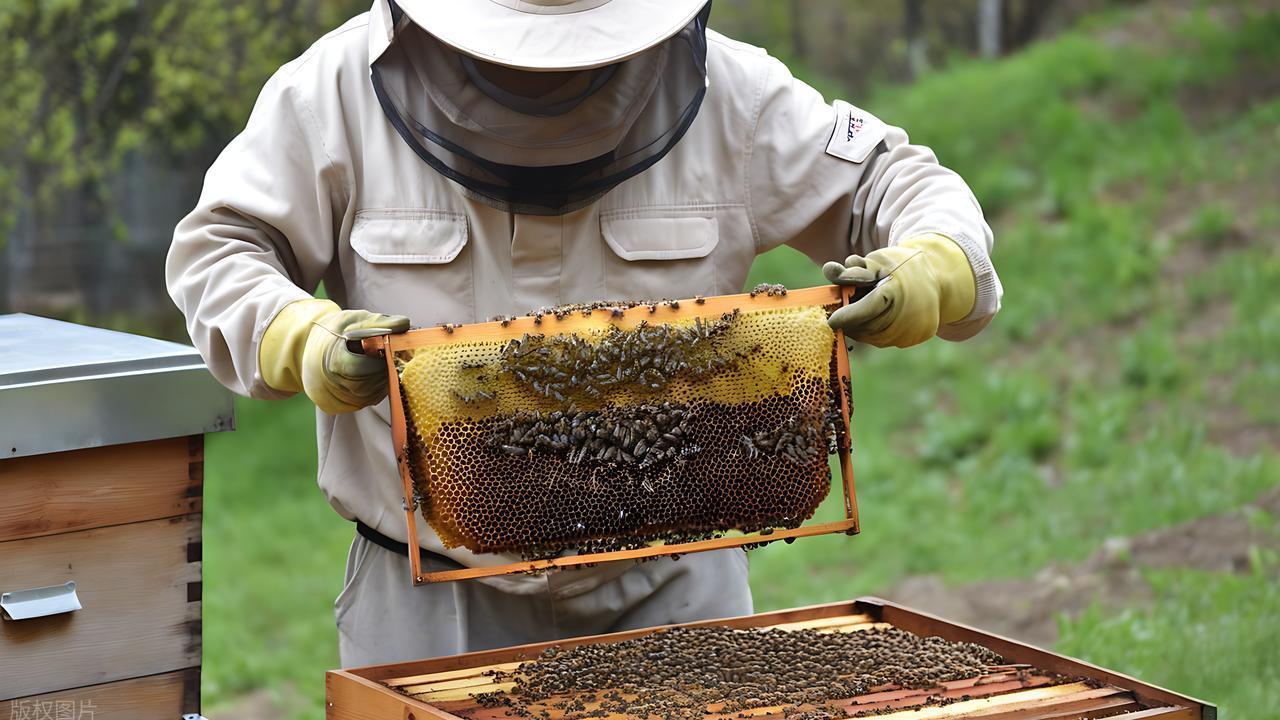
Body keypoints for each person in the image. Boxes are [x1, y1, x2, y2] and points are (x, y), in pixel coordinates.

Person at [166, 0, 1002, 667]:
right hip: (431, 603)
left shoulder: (737, 93)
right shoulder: (332, 93)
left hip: (676, 586)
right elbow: (223, 248)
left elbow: (891, 177)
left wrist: (934, 263)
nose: (548, 74)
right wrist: (294, 333)